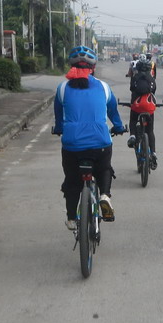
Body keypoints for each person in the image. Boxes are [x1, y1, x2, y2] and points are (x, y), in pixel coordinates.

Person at [54, 45, 126, 227]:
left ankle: (71, 218)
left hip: (72, 146)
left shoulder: (62, 88)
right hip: (100, 143)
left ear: (71, 66)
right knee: (104, 169)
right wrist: (118, 127)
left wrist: (59, 129)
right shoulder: (104, 87)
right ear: (93, 67)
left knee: (72, 182)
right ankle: (105, 196)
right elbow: (113, 112)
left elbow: (59, 118)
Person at [127, 58, 158, 168]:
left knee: (133, 120)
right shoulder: (152, 79)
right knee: (150, 131)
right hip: (149, 108)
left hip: (137, 107)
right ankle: (153, 153)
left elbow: (132, 89)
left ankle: (132, 136)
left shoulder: (135, 77)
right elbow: (153, 91)